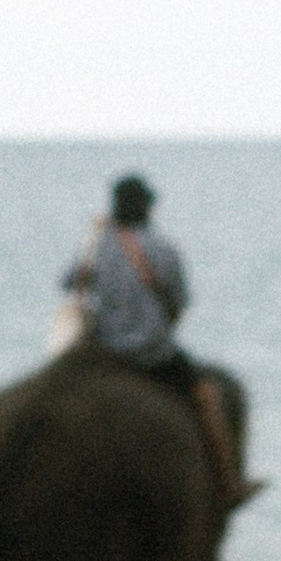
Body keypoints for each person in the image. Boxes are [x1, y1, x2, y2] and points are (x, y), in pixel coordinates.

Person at [63, 172, 258, 506]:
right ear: (147, 208)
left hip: (105, 354)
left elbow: (69, 284)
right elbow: (180, 302)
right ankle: (229, 483)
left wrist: (95, 238)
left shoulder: (98, 245)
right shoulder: (163, 248)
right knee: (207, 395)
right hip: (151, 355)